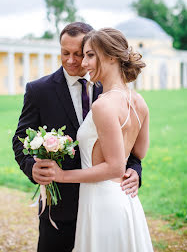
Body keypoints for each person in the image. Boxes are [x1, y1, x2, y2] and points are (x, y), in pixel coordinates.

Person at [12, 23, 142, 252]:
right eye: (65, 53)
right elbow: (20, 137)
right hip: (60, 206)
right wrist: (31, 166)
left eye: (80, 54)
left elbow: (126, 138)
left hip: (103, 201)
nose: (72, 60)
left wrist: (134, 170)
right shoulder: (39, 90)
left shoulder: (111, 88)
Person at [44, 28, 153, 251]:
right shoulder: (139, 101)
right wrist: (133, 169)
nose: (84, 63)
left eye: (90, 55)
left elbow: (114, 167)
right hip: (126, 200)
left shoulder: (103, 104)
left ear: (111, 56)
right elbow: (138, 153)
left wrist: (61, 175)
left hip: (102, 202)